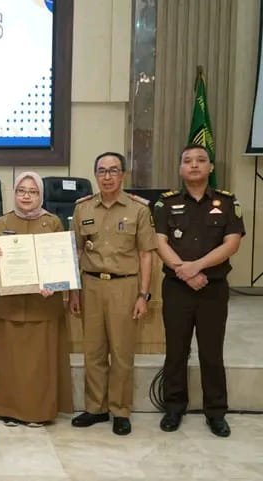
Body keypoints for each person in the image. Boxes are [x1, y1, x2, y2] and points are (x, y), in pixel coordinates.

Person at [154, 144, 244, 437]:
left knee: (211, 351)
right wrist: (184, 271)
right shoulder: (165, 203)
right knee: (176, 350)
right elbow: (160, 242)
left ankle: (216, 412)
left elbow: (232, 243)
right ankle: (173, 407)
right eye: (188, 161)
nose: (194, 165)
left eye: (201, 160)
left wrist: (196, 267)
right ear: (180, 168)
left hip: (212, 289)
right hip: (176, 289)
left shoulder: (227, 202)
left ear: (211, 167)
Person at [69, 151, 156, 436]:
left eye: (113, 170)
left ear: (123, 175)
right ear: (95, 175)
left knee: (121, 352)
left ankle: (120, 410)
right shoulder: (83, 208)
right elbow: (75, 251)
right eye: (102, 171)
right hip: (91, 285)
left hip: (124, 286)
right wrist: (74, 290)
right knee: (93, 351)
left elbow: (146, 254)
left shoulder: (138, 209)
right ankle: (96, 408)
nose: (107, 177)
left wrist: (143, 295)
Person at [0, 172, 73, 426]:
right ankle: (6, 410)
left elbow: (61, 260)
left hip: (42, 304)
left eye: (32, 192)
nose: (26, 196)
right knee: (7, 360)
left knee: (38, 363)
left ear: (41, 195)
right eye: (21, 191)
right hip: (8, 304)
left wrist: (54, 284)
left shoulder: (52, 222)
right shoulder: (2, 222)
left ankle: (37, 412)